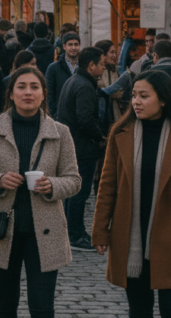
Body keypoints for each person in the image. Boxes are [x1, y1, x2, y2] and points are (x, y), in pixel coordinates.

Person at [92, 70, 171, 318]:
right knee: (139, 310)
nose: (136, 101)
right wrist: (100, 229)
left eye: (144, 96)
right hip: (130, 237)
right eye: (134, 95)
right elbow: (107, 186)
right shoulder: (121, 133)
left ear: (163, 99)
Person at [0, 66, 82, 318]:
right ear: (11, 93)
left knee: (42, 308)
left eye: (34, 87)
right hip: (1, 230)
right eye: (21, 87)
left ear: (43, 94)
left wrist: (53, 186)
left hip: (45, 232)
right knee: (5, 306)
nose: (27, 92)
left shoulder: (60, 132)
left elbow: (73, 180)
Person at [54, 46, 106, 253]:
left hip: (74, 144)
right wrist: (100, 137)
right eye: (101, 64)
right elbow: (85, 119)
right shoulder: (83, 85)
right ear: (91, 65)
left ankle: (72, 231)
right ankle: (74, 234)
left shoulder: (75, 80)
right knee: (78, 193)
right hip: (81, 147)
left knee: (72, 192)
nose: (103, 68)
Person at [45, 33, 81, 116]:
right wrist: (54, 115)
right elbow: (49, 95)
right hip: (61, 115)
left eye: (76, 44)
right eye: (70, 45)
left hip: (80, 114)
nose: (73, 48)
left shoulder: (84, 66)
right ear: (64, 46)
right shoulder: (53, 68)